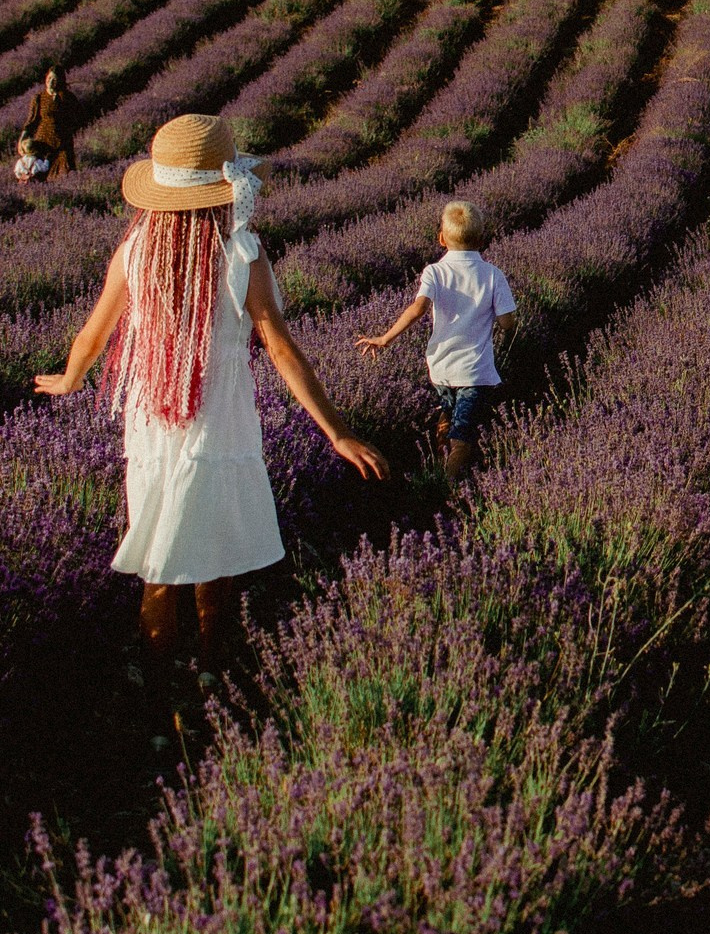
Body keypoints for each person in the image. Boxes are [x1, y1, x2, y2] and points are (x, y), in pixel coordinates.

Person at [36, 114, 387, 671]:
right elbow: (281, 351)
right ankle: (211, 668)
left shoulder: (135, 252)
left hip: (153, 417)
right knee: (215, 551)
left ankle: (158, 685)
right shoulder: (242, 255)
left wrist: (72, 378)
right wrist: (337, 432)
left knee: (156, 549)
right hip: (220, 421)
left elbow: (93, 332)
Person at [354, 200, 518, 482]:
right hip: (473, 371)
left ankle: (437, 460)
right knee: (463, 437)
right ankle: (444, 485)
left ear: (441, 238)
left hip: (441, 367)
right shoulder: (493, 275)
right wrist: (509, 329)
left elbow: (417, 308)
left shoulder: (434, 271)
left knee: (447, 412)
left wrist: (385, 338)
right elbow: (507, 322)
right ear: (482, 239)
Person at [19, 67, 81, 179]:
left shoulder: (68, 98)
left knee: (66, 173)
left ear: (60, 81)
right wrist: (22, 139)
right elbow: (31, 121)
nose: (51, 81)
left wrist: (67, 131)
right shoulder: (39, 98)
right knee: (40, 175)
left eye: (55, 79)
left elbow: (77, 119)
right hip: (43, 143)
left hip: (62, 143)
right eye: (49, 78)